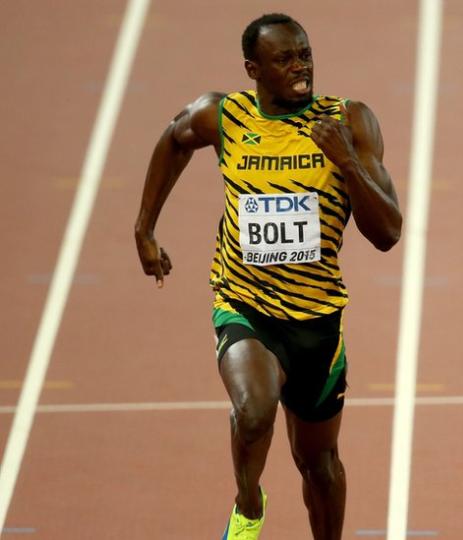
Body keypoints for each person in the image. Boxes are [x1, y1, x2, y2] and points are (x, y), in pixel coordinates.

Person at [134, 13, 402, 540]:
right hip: (245, 305)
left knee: (319, 465)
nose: (301, 67)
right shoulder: (224, 115)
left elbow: (388, 230)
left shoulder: (349, 120)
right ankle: (249, 502)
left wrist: (346, 161)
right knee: (254, 412)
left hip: (317, 320)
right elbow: (174, 138)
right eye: (285, 59)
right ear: (253, 69)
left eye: (305, 54)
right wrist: (145, 228)